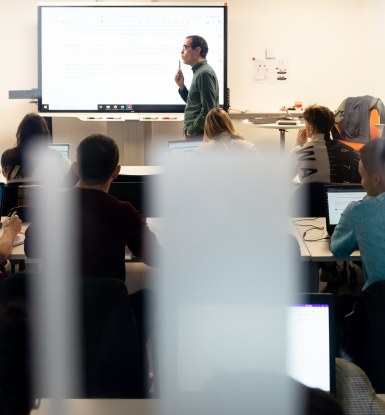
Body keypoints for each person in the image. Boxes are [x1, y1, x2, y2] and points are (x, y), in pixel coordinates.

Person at [25, 133, 160, 281]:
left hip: (64, 303)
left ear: (76, 168)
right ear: (116, 171)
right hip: (109, 302)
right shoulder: (124, 212)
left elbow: (31, 249)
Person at [330, 138, 385, 291]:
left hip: (377, 308)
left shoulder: (359, 211)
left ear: (375, 179)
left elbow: (337, 249)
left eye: (362, 176)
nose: (361, 183)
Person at [290, 105, 360, 184]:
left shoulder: (299, 152)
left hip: (312, 196)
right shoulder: (351, 152)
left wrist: (298, 145)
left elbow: (285, 177)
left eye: (305, 124)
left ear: (311, 128)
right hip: (341, 195)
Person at [1, 113, 72, 184]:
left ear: (20, 135)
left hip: (16, 195)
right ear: (45, 135)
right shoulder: (59, 159)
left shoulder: (7, 157)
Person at [174, 35, 219, 139]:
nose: (182, 52)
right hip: (197, 134)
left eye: (185, 47)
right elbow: (195, 104)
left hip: (199, 134)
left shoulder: (204, 73)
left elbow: (209, 110)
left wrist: (191, 130)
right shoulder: (199, 72)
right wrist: (182, 87)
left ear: (197, 50)